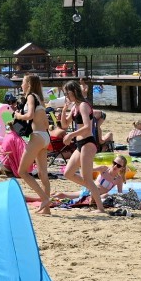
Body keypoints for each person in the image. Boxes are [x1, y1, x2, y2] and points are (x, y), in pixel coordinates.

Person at [61, 80, 106, 213]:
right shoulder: (75, 107)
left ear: (74, 92)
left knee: (87, 177)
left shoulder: (83, 106)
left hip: (88, 142)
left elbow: (87, 127)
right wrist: (64, 110)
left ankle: (100, 208)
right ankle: (93, 189)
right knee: (68, 173)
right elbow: (64, 125)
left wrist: (70, 135)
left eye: (67, 93)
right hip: (80, 144)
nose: (66, 96)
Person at [14, 74, 52, 215]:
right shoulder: (40, 99)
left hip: (36, 136)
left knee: (22, 171)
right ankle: (46, 209)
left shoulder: (30, 97)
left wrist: (18, 116)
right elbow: (47, 123)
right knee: (43, 174)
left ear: (28, 84)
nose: (21, 85)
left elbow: (29, 115)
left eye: (23, 82)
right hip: (45, 136)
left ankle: (44, 199)